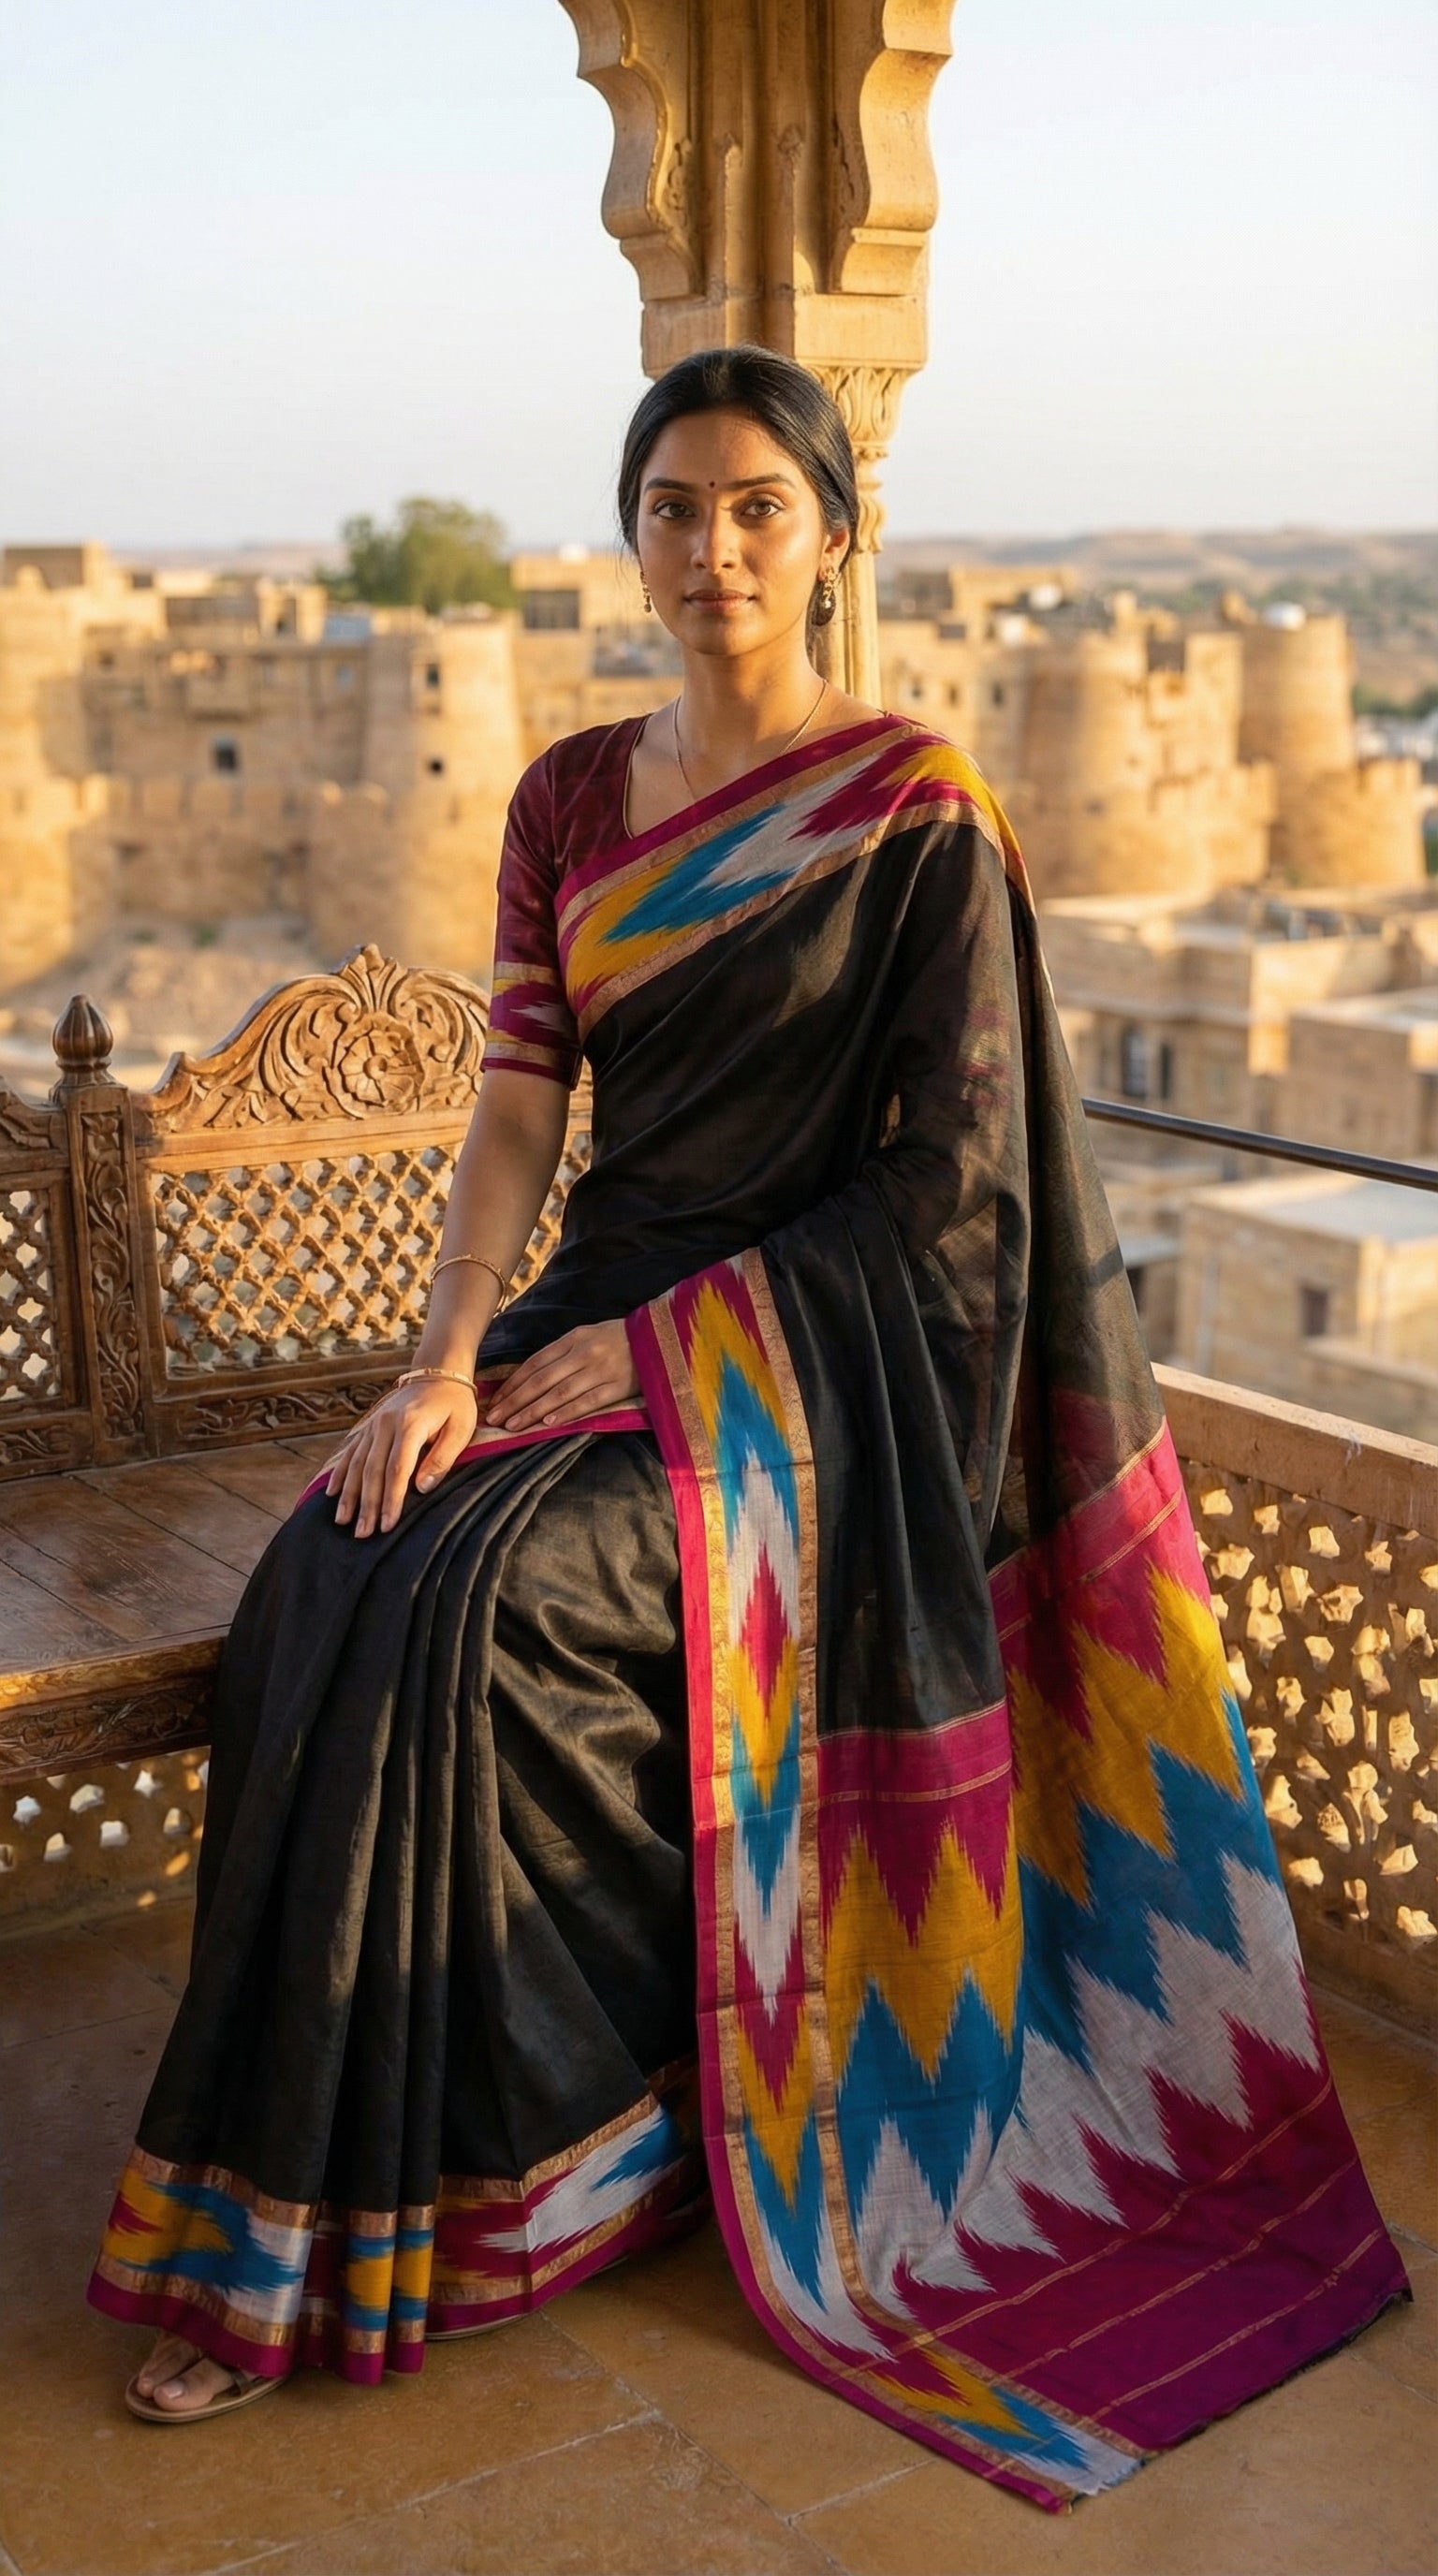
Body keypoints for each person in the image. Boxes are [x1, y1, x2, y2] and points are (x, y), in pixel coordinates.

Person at [89, 347, 1405, 2507]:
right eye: (674, 507)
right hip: (601, 1307)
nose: (712, 548)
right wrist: (444, 1359)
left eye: (756, 507)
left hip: (810, 1364)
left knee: (487, 1612)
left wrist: (696, 1346)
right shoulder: (569, 800)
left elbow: (958, 1186)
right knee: (331, 1563)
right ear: (633, 536)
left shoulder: (915, 813)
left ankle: (548, 2164)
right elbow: (523, 1103)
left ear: (833, 532)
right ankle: (284, 2204)